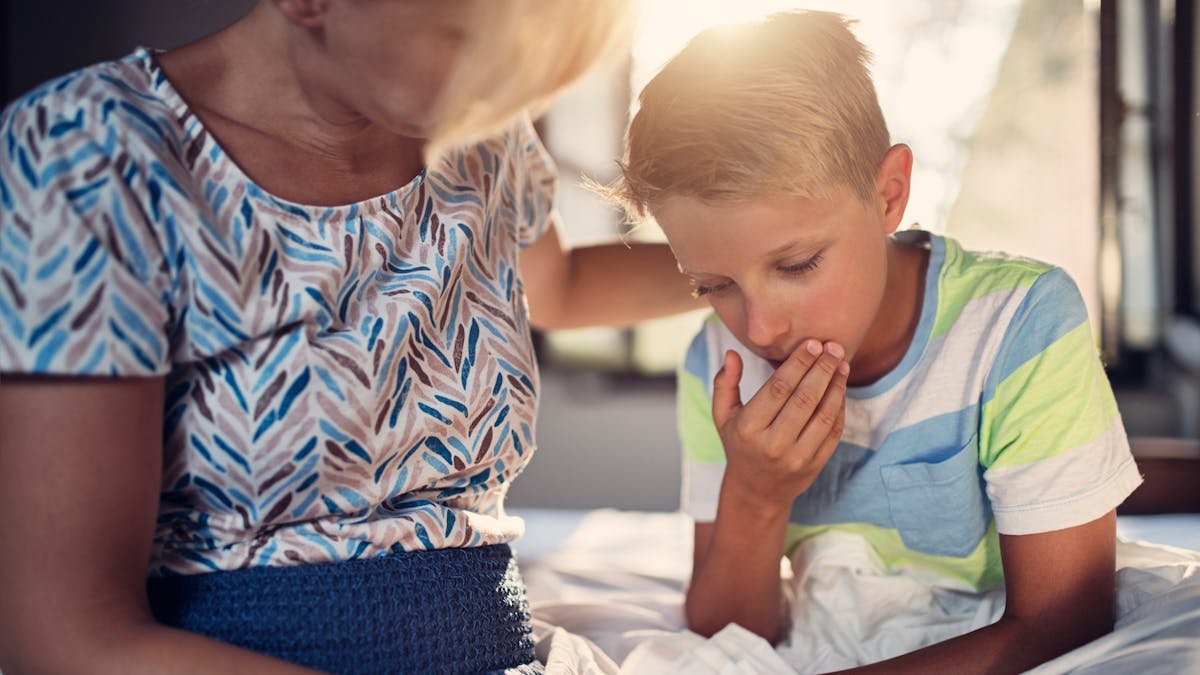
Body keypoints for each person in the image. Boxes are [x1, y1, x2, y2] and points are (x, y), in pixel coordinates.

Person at [0, 1, 703, 673]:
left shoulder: (482, 128)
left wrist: (777, 265)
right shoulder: (90, 154)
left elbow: (562, 285)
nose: (515, 85)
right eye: (470, 41)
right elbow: (66, 637)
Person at [606, 10, 1143, 674]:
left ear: (889, 193)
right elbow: (726, 631)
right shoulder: (718, 363)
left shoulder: (1019, 326)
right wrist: (755, 494)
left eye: (796, 265)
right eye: (712, 284)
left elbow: (1064, 620)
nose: (761, 328)